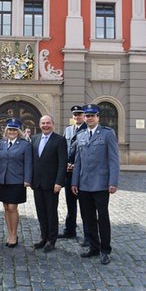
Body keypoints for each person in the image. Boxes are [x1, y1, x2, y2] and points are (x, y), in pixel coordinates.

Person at [71, 104, 120, 265]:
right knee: (87, 217)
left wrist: (113, 182)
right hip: (84, 184)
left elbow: (113, 159)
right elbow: (77, 161)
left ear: (98, 117)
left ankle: (105, 250)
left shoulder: (107, 134)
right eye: (87, 116)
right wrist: (74, 181)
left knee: (103, 217)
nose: (89, 118)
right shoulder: (81, 135)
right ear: (84, 118)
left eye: (92, 115)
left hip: (101, 184)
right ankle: (94, 247)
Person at [31, 115, 67, 252]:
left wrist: (59, 182)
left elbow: (62, 164)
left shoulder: (59, 140)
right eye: (43, 123)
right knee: (40, 212)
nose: (46, 125)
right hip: (37, 183)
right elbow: (32, 161)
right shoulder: (34, 139)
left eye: (48, 123)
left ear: (53, 124)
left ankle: (51, 240)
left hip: (52, 184)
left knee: (51, 212)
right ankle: (43, 237)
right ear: (39, 125)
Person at [0, 118, 32, 247]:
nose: (12, 132)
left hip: (17, 180)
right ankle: (10, 233)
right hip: (3, 179)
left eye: (14, 130)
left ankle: (14, 234)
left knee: (12, 207)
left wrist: (27, 179)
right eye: (10, 129)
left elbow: (28, 163)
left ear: (18, 131)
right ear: (6, 130)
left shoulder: (24, 145)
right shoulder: (1, 143)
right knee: (6, 207)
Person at [58, 105, 89, 246]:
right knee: (70, 204)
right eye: (75, 115)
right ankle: (70, 230)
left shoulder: (87, 130)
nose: (77, 117)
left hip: (82, 173)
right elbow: (64, 149)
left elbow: (87, 153)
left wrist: (76, 165)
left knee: (85, 206)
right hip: (69, 173)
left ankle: (89, 236)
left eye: (80, 115)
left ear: (84, 116)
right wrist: (65, 164)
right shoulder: (68, 130)